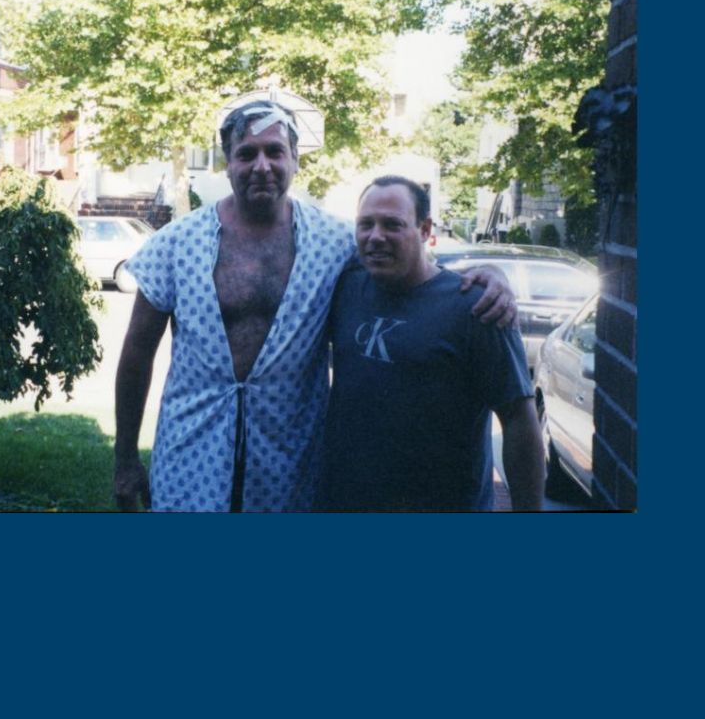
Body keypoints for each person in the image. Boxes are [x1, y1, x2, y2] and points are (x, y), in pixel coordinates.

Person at [113, 100, 517, 512]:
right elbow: (137, 351)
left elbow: (406, 258)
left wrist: (488, 273)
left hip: (288, 467)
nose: (262, 165)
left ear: (295, 161)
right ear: (228, 163)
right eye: (247, 153)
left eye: (275, 151)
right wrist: (125, 459)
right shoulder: (176, 244)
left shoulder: (335, 243)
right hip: (190, 456)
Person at [315, 176, 542, 511]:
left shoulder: (476, 307)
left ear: (424, 230)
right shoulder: (344, 289)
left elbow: (519, 420)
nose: (376, 236)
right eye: (366, 224)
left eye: (393, 225)